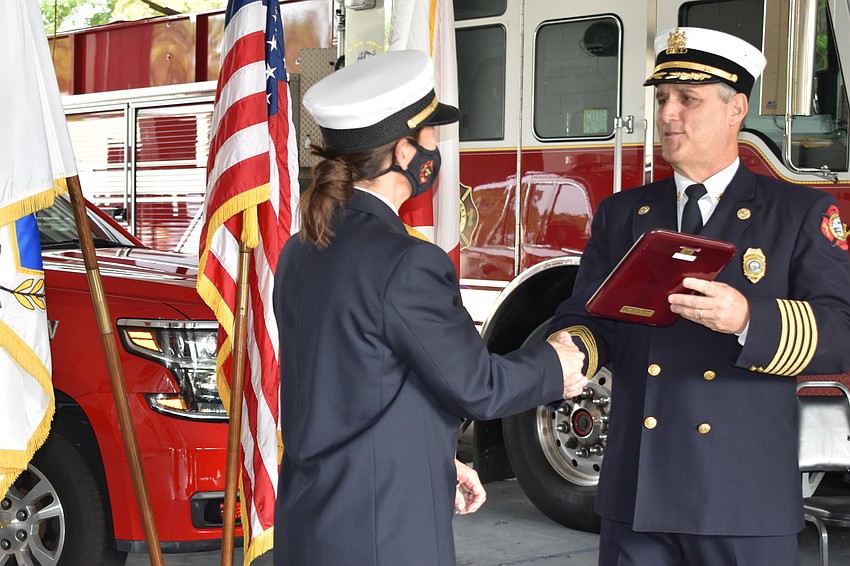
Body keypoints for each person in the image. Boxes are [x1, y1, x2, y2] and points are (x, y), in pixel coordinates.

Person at [272, 49, 588, 566]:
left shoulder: (301, 246)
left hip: (314, 525)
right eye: (431, 135)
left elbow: (358, 385)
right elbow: (476, 387)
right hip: (383, 535)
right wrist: (555, 364)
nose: (437, 148)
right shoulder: (406, 260)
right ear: (404, 153)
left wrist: (436, 462)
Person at [548, 27, 850, 565]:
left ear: (737, 109)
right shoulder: (625, 214)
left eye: (688, 99)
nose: (668, 114)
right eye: (662, 98)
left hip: (739, 501)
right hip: (637, 495)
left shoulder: (798, 213)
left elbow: (842, 332)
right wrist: (569, 348)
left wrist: (747, 320)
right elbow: (588, 316)